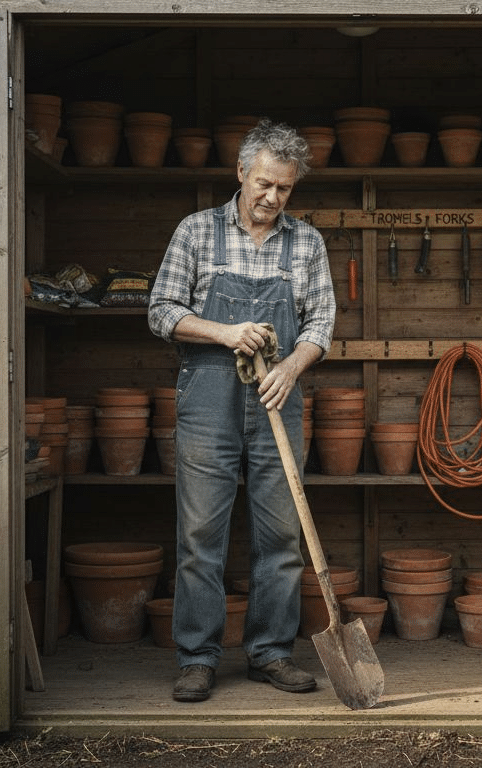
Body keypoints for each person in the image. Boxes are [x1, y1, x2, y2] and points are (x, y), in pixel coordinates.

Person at [147, 118, 336, 703]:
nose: (271, 198)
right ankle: (198, 658)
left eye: (283, 188)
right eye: (263, 184)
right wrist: (224, 332)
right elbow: (160, 311)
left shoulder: (306, 242)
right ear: (240, 174)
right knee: (201, 533)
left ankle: (271, 653)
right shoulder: (197, 233)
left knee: (281, 534)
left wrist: (290, 368)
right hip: (209, 397)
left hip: (277, 397)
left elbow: (321, 324)